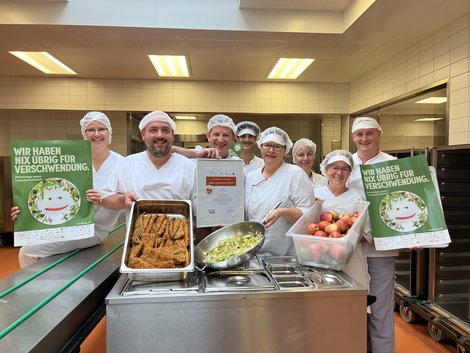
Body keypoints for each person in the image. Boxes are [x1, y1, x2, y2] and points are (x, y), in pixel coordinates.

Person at [11, 111, 124, 268]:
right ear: (84, 134)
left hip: (93, 229)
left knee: (28, 251)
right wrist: (25, 211)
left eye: (102, 129)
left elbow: (127, 200)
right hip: (68, 224)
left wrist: (103, 200)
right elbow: (53, 191)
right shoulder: (73, 161)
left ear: (109, 132)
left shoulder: (122, 164)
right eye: (91, 129)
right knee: (33, 246)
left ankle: (38, 291)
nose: (96, 134)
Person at [348, 116, 398, 353]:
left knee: (381, 309)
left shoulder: (393, 165)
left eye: (369, 133)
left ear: (379, 134)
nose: (364, 139)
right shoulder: (343, 163)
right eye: (359, 134)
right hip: (348, 251)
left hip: (380, 250)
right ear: (353, 137)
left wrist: (416, 236)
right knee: (351, 310)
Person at [100, 110, 196, 213]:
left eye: (165, 130)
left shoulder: (190, 167)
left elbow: (199, 207)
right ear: (143, 134)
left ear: (172, 135)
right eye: (153, 130)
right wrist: (123, 199)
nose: (160, 135)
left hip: (180, 227)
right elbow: (105, 198)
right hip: (139, 228)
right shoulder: (127, 164)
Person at [244, 127, 315, 256]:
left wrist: (282, 212)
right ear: (260, 147)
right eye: (267, 145)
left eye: (277, 146)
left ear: (285, 151)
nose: (271, 150)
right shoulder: (251, 177)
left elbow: (309, 215)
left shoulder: (295, 174)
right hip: (254, 252)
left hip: (285, 255)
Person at [315, 149, 368, 288]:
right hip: (321, 255)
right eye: (335, 168)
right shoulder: (315, 195)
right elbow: (306, 227)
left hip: (351, 259)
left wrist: (345, 237)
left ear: (350, 172)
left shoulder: (357, 198)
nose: (339, 173)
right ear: (326, 169)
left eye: (345, 169)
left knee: (352, 300)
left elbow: (366, 232)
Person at [171, 114, 237, 160]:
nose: (220, 140)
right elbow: (167, 150)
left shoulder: (238, 164)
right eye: (216, 134)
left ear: (233, 138)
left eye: (226, 135)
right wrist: (195, 154)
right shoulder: (195, 158)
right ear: (208, 136)